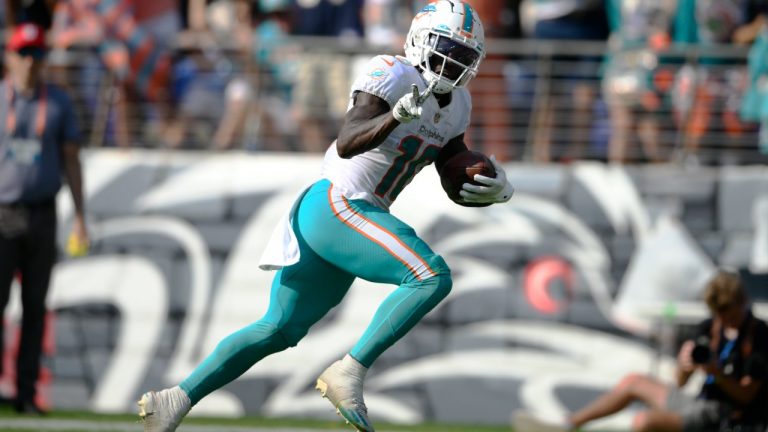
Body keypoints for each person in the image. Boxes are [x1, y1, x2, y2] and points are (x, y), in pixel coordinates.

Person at [137, 1, 514, 431]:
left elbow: (452, 171)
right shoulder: (391, 72)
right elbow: (348, 140)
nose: (452, 61)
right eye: (446, 47)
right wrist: (396, 115)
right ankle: (349, 371)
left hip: (349, 217)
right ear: (420, 40)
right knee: (431, 276)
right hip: (340, 202)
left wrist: (493, 189)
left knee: (278, 329)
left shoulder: (458, 104)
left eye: (464, 55)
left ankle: (173, 400)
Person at [514, 270, 768, 432]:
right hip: (698, 402)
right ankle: (569, 424)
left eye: (730, 314)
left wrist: (717, 373)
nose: (725, 321)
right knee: (633, 382)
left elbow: (746, 397)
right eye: (719, 315)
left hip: (727, 415)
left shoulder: (758, 335)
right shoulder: (708, 328)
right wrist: (684, 365)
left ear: (743, 302)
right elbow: (680, 382)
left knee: (644, 422)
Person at [0, 23, 88, 414]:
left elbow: (71, 159)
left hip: (42, 214)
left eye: (37, 54)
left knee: (35, 308)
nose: (31, 62)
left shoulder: (58, 103)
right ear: (9, 56)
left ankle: (25, 392)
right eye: (24, 53)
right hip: (2, 213)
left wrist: (81, 215)